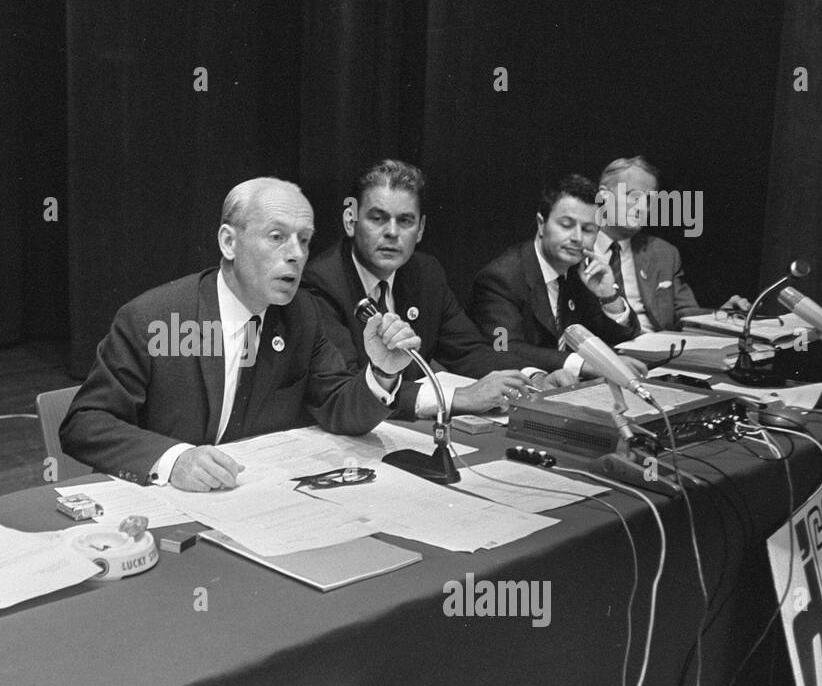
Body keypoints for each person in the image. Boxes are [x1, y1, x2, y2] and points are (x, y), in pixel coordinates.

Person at [59, 177, 423, 491]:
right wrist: (174, 460)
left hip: (253, 503)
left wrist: (382, 373)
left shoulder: (302, 316)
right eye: (277, 236)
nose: (296, 255)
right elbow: (86, 422)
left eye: (305, 239)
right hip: (162, 501)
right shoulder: (155, 318)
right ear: (229, 243)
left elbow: (338, 410)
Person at [300, 159, 575, 417]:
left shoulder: (425, 272)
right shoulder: (322, 283)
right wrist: (457, 397)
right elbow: (348, 388)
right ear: (351, 221)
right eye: (378, 218)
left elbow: (468, 350)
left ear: (420, 230)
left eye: (405, 221)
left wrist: (531, 378)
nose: (392, 232)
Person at [468, 174, 644, 376]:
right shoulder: (501, 278)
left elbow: (619, 335)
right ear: (541, 224)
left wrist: (609, 297)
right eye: (566, 225)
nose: (577, 238)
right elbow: (504, 346)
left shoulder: (581, 272)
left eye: (588, 229)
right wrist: (582, 364)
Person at [594, 155, 750, 332]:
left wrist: (721, 317)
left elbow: (684, 314)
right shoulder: (575, 250)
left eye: (649, 200)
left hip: (657, 352)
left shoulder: (663, 253)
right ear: (604, 196)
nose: (642, 208)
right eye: (633, 196)